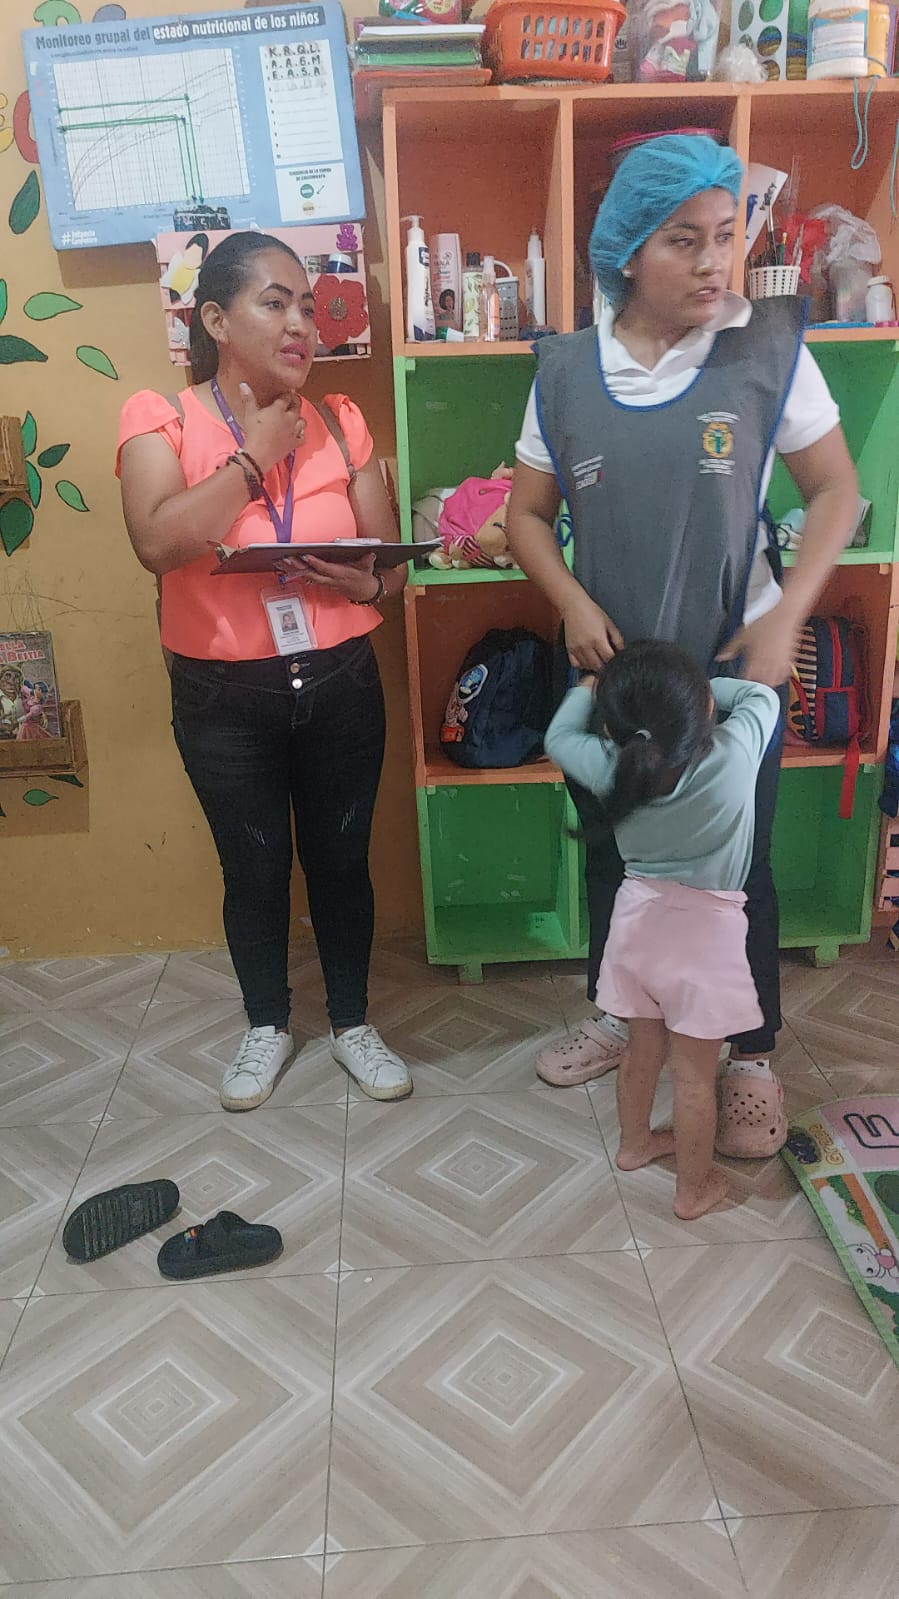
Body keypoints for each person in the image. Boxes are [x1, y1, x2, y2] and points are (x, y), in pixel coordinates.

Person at [506, 134, 858, 1158]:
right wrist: (570, 601)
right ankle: (623, 1015)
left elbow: (834, 491)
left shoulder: (765, 351)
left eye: (725, 235)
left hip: (731, 676)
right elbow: (524, 514)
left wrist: (786, 614)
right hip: (612, 682)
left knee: (733, 868)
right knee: (615, 854)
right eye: (683, 241)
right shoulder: (566, 372)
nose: (714, 263)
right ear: (625, 252)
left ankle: (748, 1054)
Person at [117, 230, 413, 1111]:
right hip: (222, 696)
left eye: (308, 309)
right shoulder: (162, 419)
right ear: (216, 320)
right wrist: (255, 455)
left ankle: (352, 1020)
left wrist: (370, 583)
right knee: (252, 869)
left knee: (341, 860)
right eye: (274, 303)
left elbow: (388, 568)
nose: (299, 325)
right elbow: (156, 541)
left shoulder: (341, 421)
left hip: (340, 681)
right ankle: (267, 1022)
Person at [545, 641, 781, 1217]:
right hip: (707, 940)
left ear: (612, 725)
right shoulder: (735, 750)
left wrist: (591, 688)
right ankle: (692, 1190)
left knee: (642, 1048)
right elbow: (761, 696)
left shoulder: (610, 762)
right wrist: (702, 692)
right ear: (704, 709)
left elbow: (558, 737)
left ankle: (634, 1145)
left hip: (634, 924)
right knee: (695, 1077)